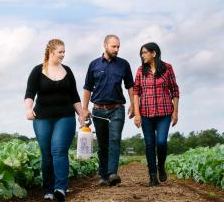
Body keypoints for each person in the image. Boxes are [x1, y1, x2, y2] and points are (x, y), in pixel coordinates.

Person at [24, 39, 84, 201]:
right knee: (47, 154)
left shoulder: (68, 71)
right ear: (51, 52)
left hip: (65, 117)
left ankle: (60, 188)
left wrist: (81, 114)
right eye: (60, 52)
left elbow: (74, 96)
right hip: (42, 118)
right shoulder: (38, 71)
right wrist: (28, 109)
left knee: (58, 150)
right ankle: (48, 190)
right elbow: (30, 93)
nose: (63, 55)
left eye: (64, 52)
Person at [83, 35, 134, 186]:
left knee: (114, 139)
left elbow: (130, 86)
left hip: (117, 108)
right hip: (98, 110)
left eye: (118, 46)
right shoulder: (94, 65)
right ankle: (104, 176)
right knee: (102, 144)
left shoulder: (124, 64)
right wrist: (85, 109)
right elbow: (87, 88)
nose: (117, 49)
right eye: (114, 46)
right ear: (105, 45)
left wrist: (133, 105)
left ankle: (112, 173)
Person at [133, 42, 179, 186]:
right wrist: (137, 114)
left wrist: (175, 112)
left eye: (145, 52)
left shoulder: (167, 68)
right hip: (146, 113)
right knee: (149, 144)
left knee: (161, 142)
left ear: (154, 53)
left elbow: (175, 90)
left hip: (164, 112)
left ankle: (161, 166)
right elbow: (136, 92)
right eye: (141, 53)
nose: (142, 55)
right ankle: (152, 176)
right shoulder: (141, 70)